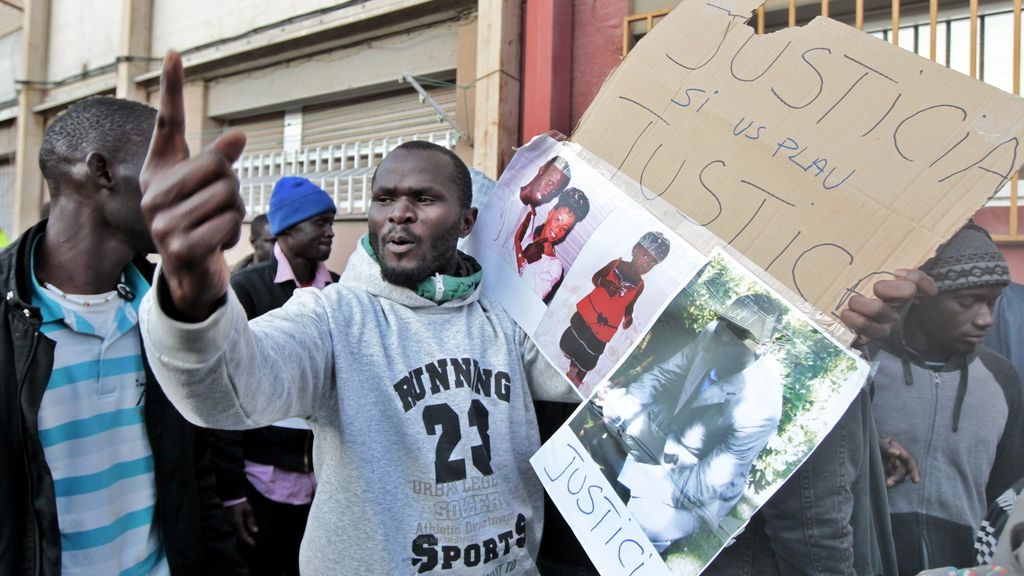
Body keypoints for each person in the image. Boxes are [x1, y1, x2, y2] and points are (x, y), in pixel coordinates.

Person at [135, 53, 933, 576]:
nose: (398, 216)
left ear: (467, 218)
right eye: (383, 199)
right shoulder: (333, 320)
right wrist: (192, 281)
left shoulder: (508, 324)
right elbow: (226, 391)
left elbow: (638, 366)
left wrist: (816, 324)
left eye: (423, 198)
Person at [0, 96, 244, 574]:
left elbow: (195, 480)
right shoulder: (10, 319)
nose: (186, 186)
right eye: (169, 165)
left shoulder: (167, 314)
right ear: (102, 171)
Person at [871, 223, 1024, 574]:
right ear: (922, 296)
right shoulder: (864, 363)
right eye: (967, 303)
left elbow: (1007, 495)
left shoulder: (1003, 380)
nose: (985, 319)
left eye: (992, 302)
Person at [213, 176, 337, 576]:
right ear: (287, 228)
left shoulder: (338, 290)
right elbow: (228, 393)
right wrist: (232, 492)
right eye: (320, 222)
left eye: (331, 220)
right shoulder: (246, 290)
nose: (331, 231)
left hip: (323, 480)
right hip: (261, 480)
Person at [601, 294, 785, 550]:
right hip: (666, 439)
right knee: (610, 414)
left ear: (763, 347)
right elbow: (664, 376)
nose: (723, 335)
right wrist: (622, 406)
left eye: (739, 333)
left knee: (642, 524)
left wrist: (631, 472)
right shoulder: (715, 333)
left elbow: (703, 485)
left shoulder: (761, 407)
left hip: (696, 490)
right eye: (725, 322)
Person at [559, 231, 671, 387]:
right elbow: (595, 277)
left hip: (605, 327)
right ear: (635, 250)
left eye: (652, 262)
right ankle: (573, 365)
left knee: (592, 351)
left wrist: (628, 316)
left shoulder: (640, 286)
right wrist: (604, 283)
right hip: (589, 312)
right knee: (577, 337)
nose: (646, 264)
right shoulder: (616, 265)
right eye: (645, 256)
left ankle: (579, 377)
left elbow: (630, 304)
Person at [514, 187, 590, 301]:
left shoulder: (555, 267)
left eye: (564, 228)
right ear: (550, 213)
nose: (558, 230)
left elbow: (533, 296)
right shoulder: (527, 230)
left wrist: (520, 250)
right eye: (558, 220)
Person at [492, 155, 572, 244]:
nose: (548, 192)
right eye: (550, 182)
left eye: (554, 191)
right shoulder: (504, 194)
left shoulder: (530, 221)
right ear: (542, 170)